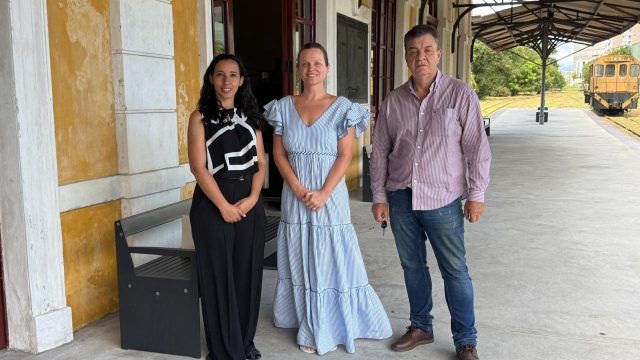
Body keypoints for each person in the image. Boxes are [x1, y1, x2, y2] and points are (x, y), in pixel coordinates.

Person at [370, 25, 491, 360]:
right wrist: (379, 197)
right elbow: (380, 151)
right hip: (401, 198)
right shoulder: (393, 101)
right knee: (412, 267)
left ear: (438, 54)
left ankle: (466, 340)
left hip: (444, 200)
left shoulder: (460, 94)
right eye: (413, 51)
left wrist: (476, 194)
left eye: (426, 50)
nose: (420, 57)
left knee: (455, 269)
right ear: (406, 57)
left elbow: (476, 149)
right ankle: (421, 326)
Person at [263, 42, 392, 355]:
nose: (311, 69)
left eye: (317, 63)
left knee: (329, 256)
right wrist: (295, 187)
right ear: (298, 68)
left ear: (327, 68)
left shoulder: (342, 107)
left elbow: (345, 155)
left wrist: (322, 193)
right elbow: (278, 154)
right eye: (305, 63)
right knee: (299, 254)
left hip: (329, 197)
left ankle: (327, 323)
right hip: (295, 196)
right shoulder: (282, 107)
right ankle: (304, 317)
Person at [188, 54, 267, 360]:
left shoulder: (252, 116)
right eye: (220, 75)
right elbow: (198, 167)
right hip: (212, 203)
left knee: (247, 275)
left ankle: (245, 343)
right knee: (218, 277)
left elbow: (261, 161)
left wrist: (253, 197)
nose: (226, 81)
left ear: (241, 80)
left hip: (249, 201)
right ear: (211, 79)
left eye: (233, 75)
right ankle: (223, 351)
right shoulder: (200, 118)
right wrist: (222, 205)